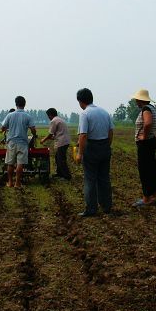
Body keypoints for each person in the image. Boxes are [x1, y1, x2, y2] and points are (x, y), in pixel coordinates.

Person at [74, 88, 114, 217]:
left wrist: (80, 153)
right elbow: (110, 132)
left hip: (92, 148)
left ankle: (91, 209)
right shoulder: (104, 112)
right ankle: (106, 206)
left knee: (90, 179)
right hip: (105, 147)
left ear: (80, 101)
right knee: (104, 178)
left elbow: (83, 135)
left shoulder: (85, 114)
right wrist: (107, 146)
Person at [130, 89, 156, 207]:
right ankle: (152, 196)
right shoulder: (152, 108)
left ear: (140, 100)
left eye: (137, 99)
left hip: (145, 143)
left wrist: (144, 136)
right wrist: (151, 133)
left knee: (145, 170)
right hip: (151, 141)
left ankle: (146, 198)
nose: (136, 101)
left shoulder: (145, 109)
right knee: (151, 168)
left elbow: (148, 123)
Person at [0, 96, 37, 188]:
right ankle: (18, 183)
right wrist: (34, 134)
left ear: (16, 104)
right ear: (24, 104)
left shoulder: (10, 115)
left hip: (11, 142)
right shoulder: (28, 116)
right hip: (23, 142)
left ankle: (10, 182)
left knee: (10, 163)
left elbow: (3, 128)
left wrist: (5, 128)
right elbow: (33, 129)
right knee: (20, 163)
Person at [40, 108, 72, 181]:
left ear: (50, 115)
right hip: (65, 141)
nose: (48, 117)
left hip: (62, 142)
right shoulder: (60, 119)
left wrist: (43, 140)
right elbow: (57, 133)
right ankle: (59, 173)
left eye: (48, 116)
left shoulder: (54, 121)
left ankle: (66, 176)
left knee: (61, 159)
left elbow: (50, 134)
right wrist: (50, 138)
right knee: (57, 158)